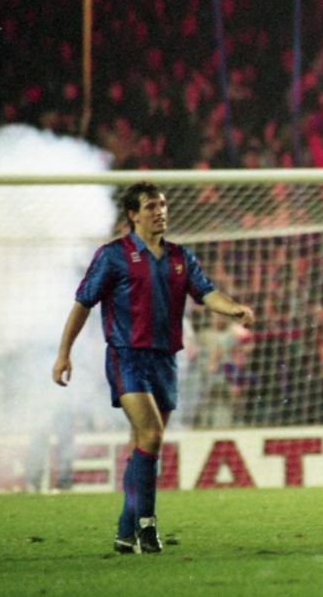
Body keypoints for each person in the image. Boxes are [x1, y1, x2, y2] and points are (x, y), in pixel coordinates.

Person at [52, 181, 255, 554]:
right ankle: (147, 525)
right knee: (152, 434)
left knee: (143, 444)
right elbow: (83, 303)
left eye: (162, 204)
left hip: (165, 359)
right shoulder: (113, 256)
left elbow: (205, 292)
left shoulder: (180, 256)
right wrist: (64, 353)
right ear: (133, 214)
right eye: (150, 206)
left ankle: (124, 531)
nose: (159, 211)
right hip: (127, 356)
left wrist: (234, 309)